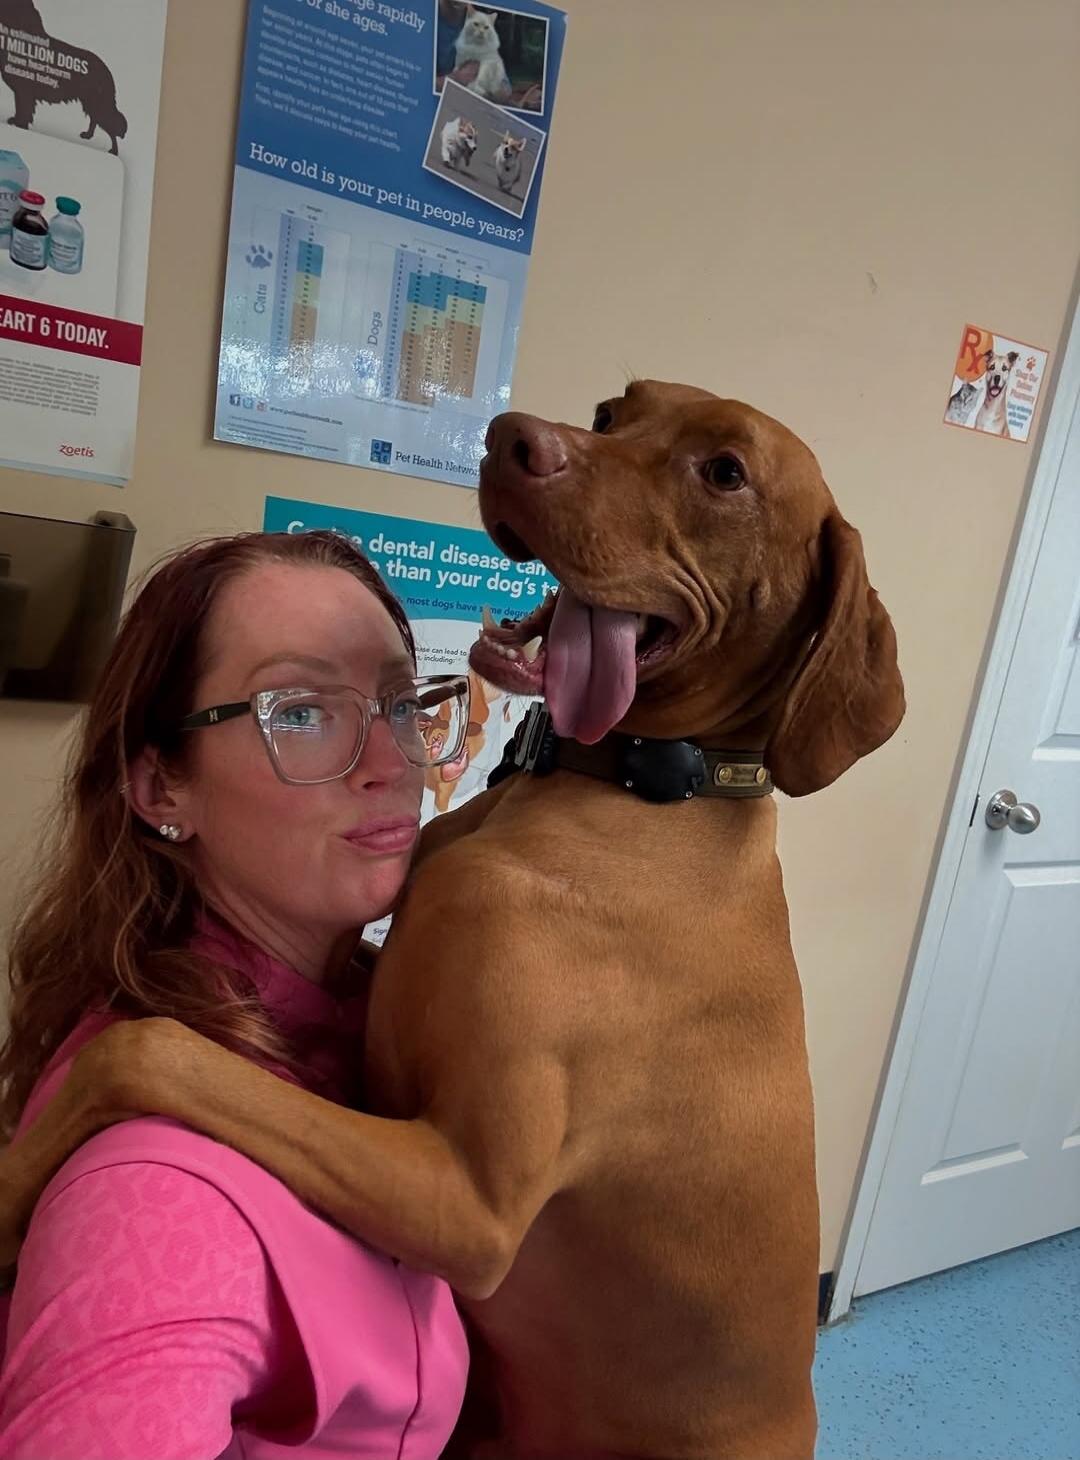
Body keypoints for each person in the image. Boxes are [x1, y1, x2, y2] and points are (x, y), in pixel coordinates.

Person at [0, 530, 471, 1459]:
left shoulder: (369, 1023)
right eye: (301, 712)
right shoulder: (151, 1202)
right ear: (159, 786)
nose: (392, 761)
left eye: (398, 701)